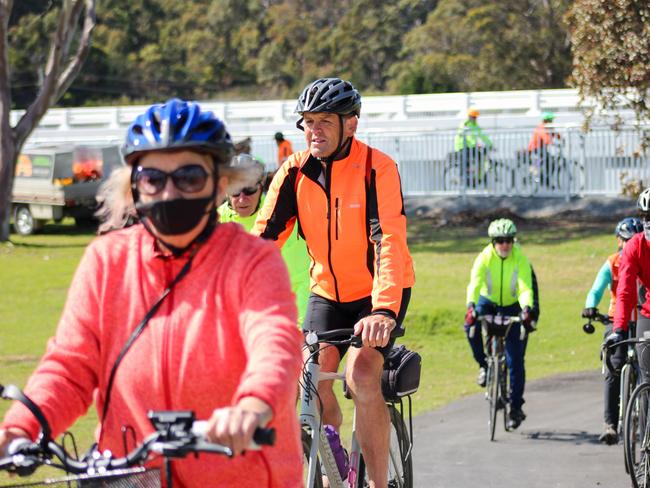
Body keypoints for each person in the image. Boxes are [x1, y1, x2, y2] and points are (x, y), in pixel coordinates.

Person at [0, 99, 303, 488]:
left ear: (221, 184)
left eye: (190, 177)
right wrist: (21, 429)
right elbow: (71, 366)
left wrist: (253, 405)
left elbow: (275, 342)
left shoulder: (253, 260)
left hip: (242, 473)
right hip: (128, 474)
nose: (169, 192)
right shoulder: (106, 261)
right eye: (153, 179)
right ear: (133, 186)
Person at [253, 77, 415, 488]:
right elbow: (261, 241)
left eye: (325, 121)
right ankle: (333, 459)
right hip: (326, 293)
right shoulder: (294, 172)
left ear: (351, 125)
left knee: (361, 373)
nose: (314, 131)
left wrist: (383, 311)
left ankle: (379, 483)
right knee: (309, 377)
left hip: (377, 295)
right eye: (307, 122)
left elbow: (389, 242)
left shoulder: (378, 169)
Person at [219, 153, 310, 326]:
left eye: (250, 190)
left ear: (261, 187)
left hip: (293, 302)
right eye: (235, 191)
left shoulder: (283, 212)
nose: (242, 198)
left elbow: (302, 276)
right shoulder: (214, 221)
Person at [464, 218, 537, 430]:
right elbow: (475, 283)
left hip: (513, 306)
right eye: (499, 241)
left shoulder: (520, 258)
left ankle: (515, 408)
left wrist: (526, 309)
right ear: (493, 242)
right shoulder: (484, 258)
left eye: (508, 240)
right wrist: (470, 306)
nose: (504, 245)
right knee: (470, 327)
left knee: (516, 361)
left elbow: (525, 287)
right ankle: (484, 365)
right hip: (488, 302)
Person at [582, 217, 644, 444]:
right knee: (613, 365)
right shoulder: (612, 263)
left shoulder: (643, 257)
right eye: (626, 240)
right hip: (616, 319)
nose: (630, 245)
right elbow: (596, 289)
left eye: (634, 240)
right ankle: (610, 425)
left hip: (641, 319)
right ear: (618, 240)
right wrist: (590, 306)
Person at [606, 189, 650, 425]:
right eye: (646, 217)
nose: (649, 222)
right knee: (646, 377)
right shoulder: (634, 246)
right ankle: (646, 450)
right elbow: (624, 291)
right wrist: (619, 328)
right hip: (649, 312)